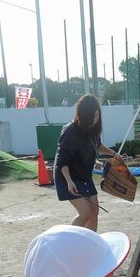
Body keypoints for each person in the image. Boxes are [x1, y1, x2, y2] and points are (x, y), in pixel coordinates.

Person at [54, 94, 122, 232]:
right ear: (84, 115)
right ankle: (66, 240)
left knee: (94, 211)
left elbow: (98, 145)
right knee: (86, 213)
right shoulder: (69, 132)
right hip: (68, 176)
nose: (96, 119)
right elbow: (62, 160)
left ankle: (90, 241)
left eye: (97, 115)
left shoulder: (92, 129)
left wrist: (114, 154)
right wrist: (69, 181)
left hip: (84, 175)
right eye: (93, 116)